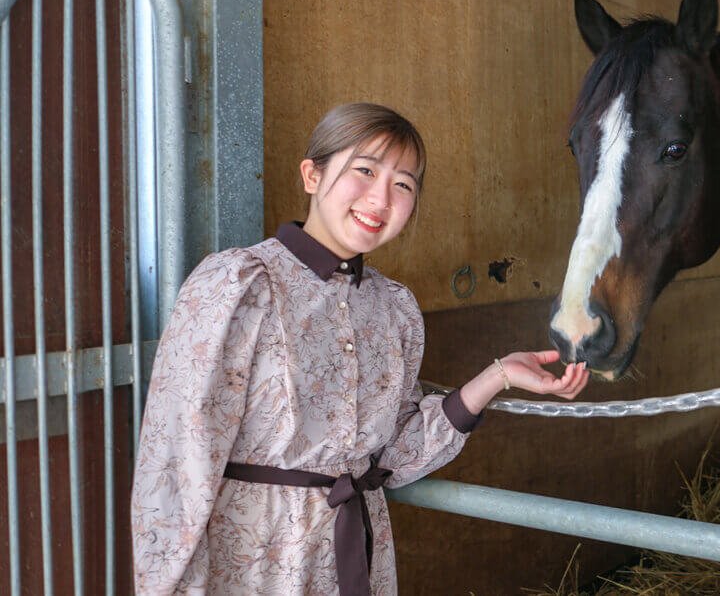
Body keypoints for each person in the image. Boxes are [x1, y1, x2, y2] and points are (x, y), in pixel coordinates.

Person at [130, 102, 589, 595]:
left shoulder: (393, 308)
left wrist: (498, 376)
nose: (381, 197)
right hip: (253, 563)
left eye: (404, 184)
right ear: (312, 174)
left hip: (356, 554)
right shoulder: (240, 284)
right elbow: (177, 459)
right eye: (365, 170)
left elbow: (395, 459)